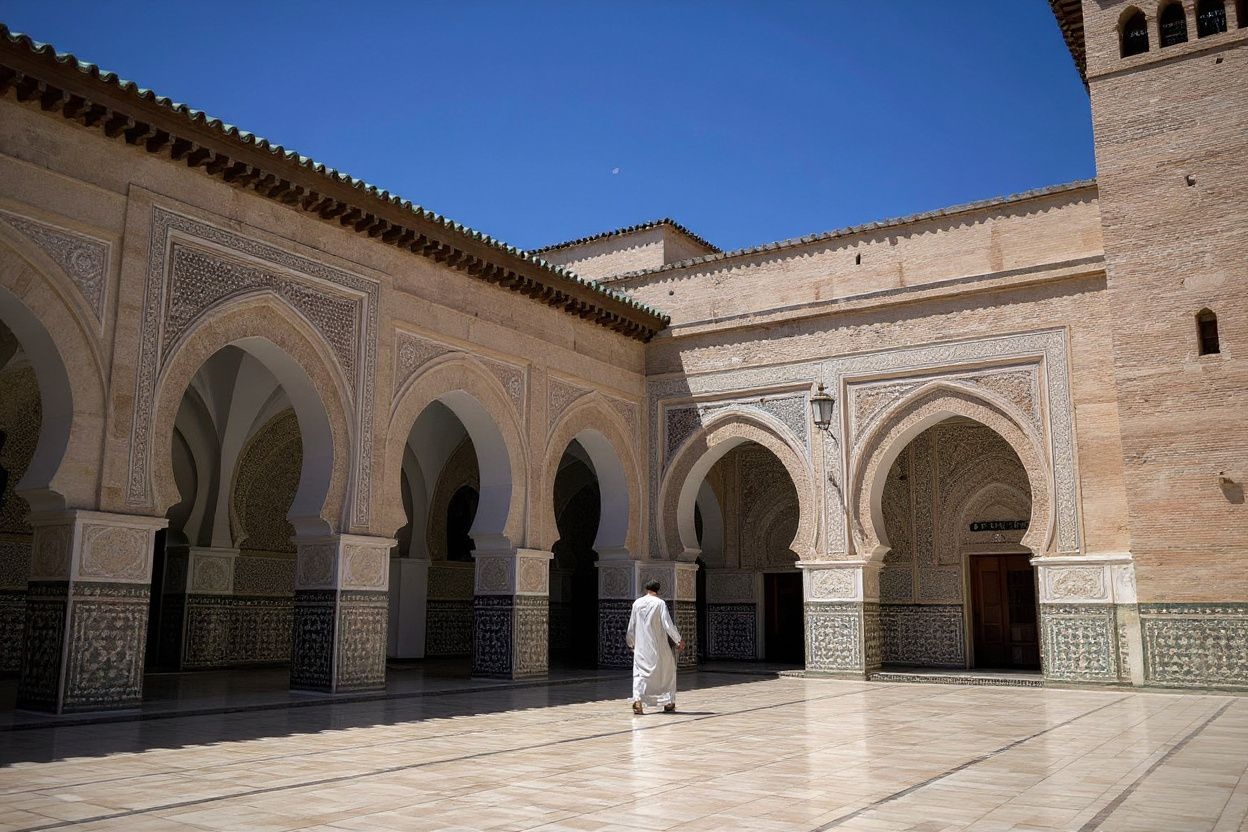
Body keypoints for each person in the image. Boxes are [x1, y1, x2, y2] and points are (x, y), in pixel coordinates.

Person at [626, 579, 683, 714]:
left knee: (640, 674)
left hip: (641, 647)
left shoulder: (637, 603)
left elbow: (631, 626)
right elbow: (667, 624)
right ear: (658, 590)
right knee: (667, 672)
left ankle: (638, 700)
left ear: (646, 589)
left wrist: (631, 642)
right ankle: (668, 702)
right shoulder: (660, 603)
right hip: (659, 647)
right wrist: (678, 640)